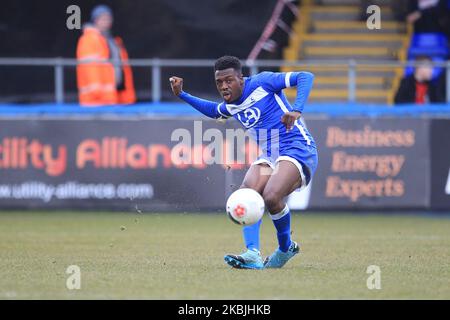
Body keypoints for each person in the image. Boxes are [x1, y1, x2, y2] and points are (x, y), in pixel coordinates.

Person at [169, 56, 318, 269]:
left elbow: (305, 76)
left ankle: (285, 248)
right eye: (219, 82)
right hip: (270, 154)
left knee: (271, 196)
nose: (224, 86)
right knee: (246, 195)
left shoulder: (263, 82)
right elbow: (213, 110)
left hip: (298, 147)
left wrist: (296, 109)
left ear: (241, 78)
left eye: (229, 80)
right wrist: (182, 94)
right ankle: (252, 254)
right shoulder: (231, 106)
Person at [76, 5, 136, 106]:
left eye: (108, 18)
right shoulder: (89, 39)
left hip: (114, 96)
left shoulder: (112, 41)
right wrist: (97, 91)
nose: (106, 21)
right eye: (103, 18)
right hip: (95, 99)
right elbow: (89, 67)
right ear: (95, 20)